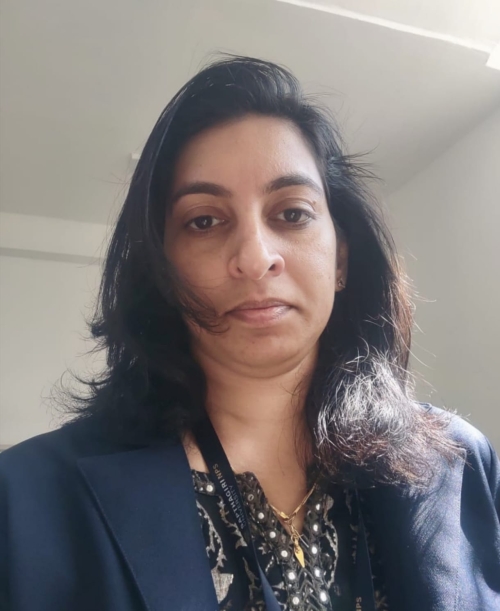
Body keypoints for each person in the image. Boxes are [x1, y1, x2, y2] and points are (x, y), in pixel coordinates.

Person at [0, 56, 499, 611]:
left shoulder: (460, 465)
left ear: (341, 259)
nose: (256, 258)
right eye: (204, 221)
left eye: (292, 213)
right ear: (162, 272)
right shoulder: (31, 498)